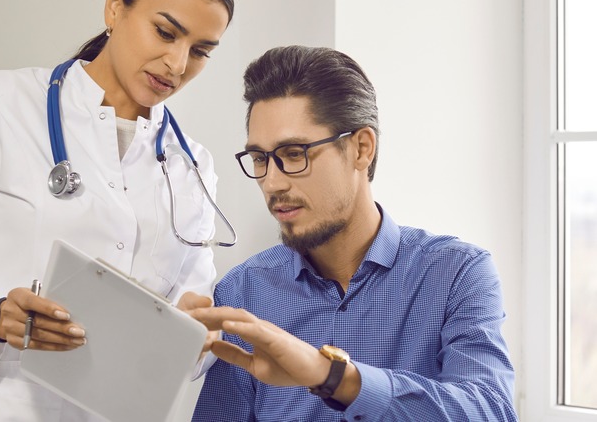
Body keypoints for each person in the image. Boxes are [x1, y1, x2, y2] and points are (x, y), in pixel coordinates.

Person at [0, 0, 234, 420]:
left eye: (201, 51)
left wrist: (192, 336)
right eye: (165, 32)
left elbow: (194, 334)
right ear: (115, 6)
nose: (177, 64)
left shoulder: (192, 165)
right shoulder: (3, 104)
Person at [190, 45, 517, 421]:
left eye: (294, 153)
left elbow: (491, 411)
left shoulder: (456, 273)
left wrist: (331, 376)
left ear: (362, 148)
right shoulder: (242, 291)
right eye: (261, 159)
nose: (272, 183)